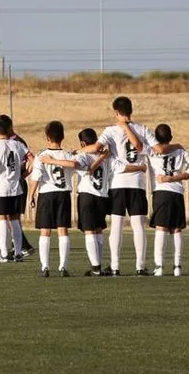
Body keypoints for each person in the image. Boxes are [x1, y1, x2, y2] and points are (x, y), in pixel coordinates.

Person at [84, 97, 177, 276]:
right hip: (137, 184)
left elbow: (96, 148)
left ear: (117, 113)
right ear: (131, 111)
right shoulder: (142, 129)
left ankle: (115, 266)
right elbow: (158, 149)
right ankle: (140, 266)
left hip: (118, 183)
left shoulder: (111, 130)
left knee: (116, 225)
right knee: (138, 226)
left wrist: (79, 151)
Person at [41, 128, 121, 276]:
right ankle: (98, 265)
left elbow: (83, 168)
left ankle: (96, 268)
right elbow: (121, 167)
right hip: (103, 196)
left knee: (89, 231)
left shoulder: (83, 155)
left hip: (87, 196)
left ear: (83, 143)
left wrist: (51, 160)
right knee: (98, 230)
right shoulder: (107, 156)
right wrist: (140, 167)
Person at [142, 124, 189, 277]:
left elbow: (139, 146)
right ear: (171, 137)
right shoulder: (179, 150)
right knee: (176, 229)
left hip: (161, 192)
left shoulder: (152, 150)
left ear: (156, 138)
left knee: (161, 228)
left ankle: (159, 266)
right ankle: (177, 266)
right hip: (176, 192)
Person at [28, 121, 74, 277]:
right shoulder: (67, 155)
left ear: (47, 137)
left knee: (45, 231)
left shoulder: (41, 156)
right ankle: (63, 267)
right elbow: (76, 166)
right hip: (63, 194)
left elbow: (36, 178)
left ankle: (45, 267)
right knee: (63, 230)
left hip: (46, 194)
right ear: (63, 136)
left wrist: (31, 195)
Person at [0, 115, 28, 263]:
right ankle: (18, 253)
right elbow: (33, 159)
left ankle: (3, 255)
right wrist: (24, 175)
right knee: (14, 219)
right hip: (15, 187)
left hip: (0, 187)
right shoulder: (17, 144)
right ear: (8, 131)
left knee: (2, 219)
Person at [7, 118, 36, 257]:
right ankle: (18, 246)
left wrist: (22, 176)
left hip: (16, 183)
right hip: (11, 183)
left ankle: (23, 246)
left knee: (13, 217)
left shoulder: (18, 142)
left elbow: (31, 162)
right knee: (10, 217)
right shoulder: (8, 142)